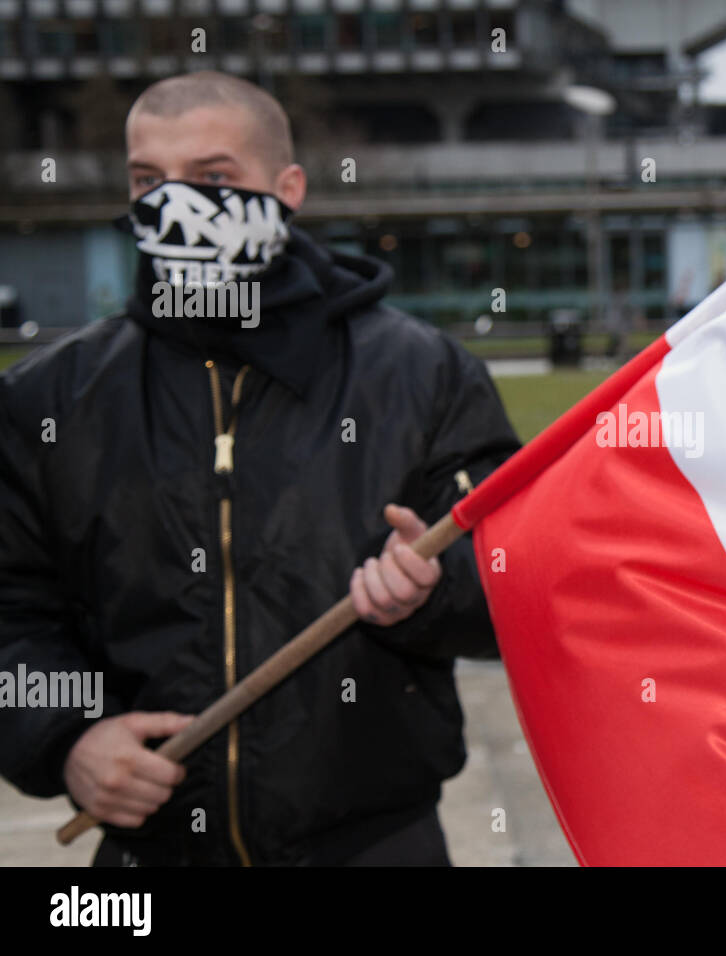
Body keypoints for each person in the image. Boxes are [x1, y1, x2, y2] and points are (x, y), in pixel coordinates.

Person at [0, 72, 520, 866]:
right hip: (149, 858)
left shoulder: (424, 375)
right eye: (148, 180)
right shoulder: (51, 397)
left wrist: (432, 591)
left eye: (212, 179)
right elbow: (12, 612)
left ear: (289, 189)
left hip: (379, 845)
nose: (175, 206)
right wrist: (68, 737)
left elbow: (522, 582)